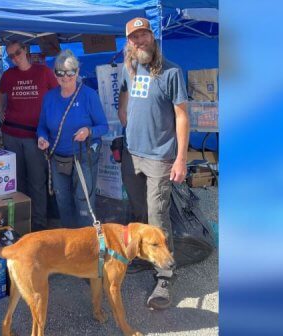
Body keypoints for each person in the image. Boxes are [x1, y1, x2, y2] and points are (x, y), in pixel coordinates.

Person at [117, 17, 189, 310]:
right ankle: (143, 257)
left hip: (160, 156)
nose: (140, 41)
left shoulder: (171, 72)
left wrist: (181, 158)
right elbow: (124, 92)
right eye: (134, 38)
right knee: (137, 212)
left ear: (153, 36)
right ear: (129, 43)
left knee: (158, 217)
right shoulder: (129, 68)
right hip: (132, 152)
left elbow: (183, 116)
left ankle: (164, 275)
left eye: (144, 34)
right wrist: (123, 111)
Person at [37, 50, 108, 228]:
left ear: (77, 72)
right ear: (55, 74)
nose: (65, 76)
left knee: (84, 202)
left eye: (70, 72)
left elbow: (103, 126)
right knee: (63, 202)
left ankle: (88, 242)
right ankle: (70, 242)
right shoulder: (49, 98)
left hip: (83, 157)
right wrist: (42, 138)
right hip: (58, 157)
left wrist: (88, 131)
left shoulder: (89, 95)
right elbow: (42, 126)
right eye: (60, 72)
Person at [0, 41, 58, 231]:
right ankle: (21, 222)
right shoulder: (8, 74)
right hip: (11, 133)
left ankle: (38, 223)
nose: (15, 57)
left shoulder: (43, 72)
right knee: (17, 180)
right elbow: (0, 92)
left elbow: (56, 95)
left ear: (26, 51)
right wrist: (0, 109)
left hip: (35, 136)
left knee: (37, 180)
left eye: (17, 52)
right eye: (10, 55)